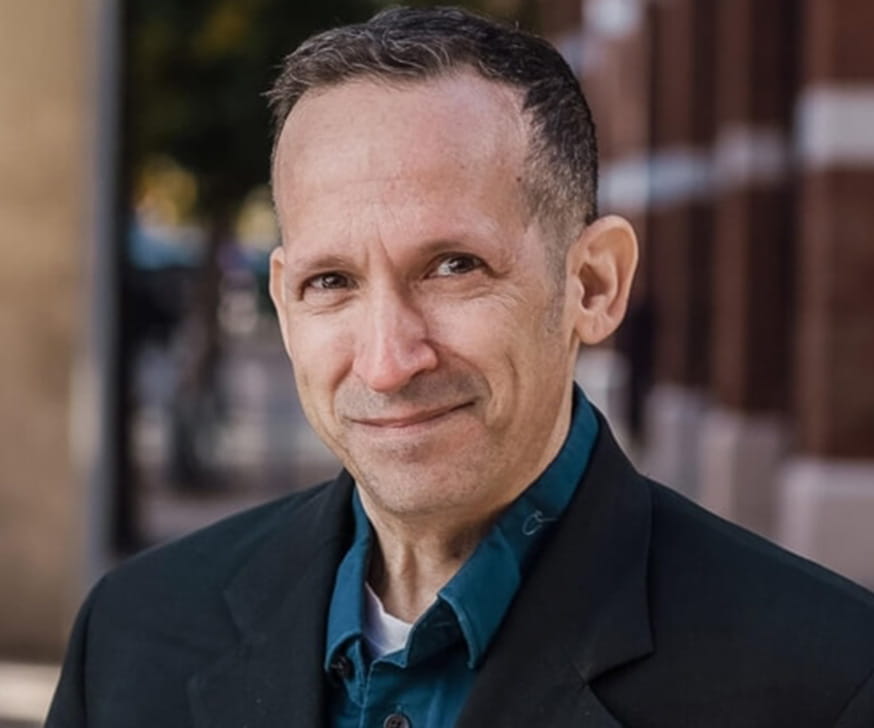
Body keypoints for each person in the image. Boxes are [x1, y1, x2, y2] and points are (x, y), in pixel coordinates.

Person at [47, 7, 874, 727]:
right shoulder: (131, 636)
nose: (388, 360)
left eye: (454, 267)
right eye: (331, 282)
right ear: (285, 302)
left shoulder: (827, 681)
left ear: (593, 283)